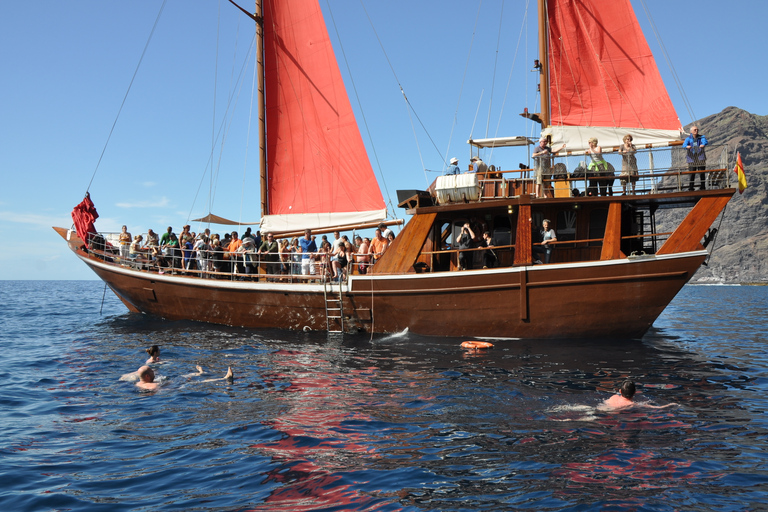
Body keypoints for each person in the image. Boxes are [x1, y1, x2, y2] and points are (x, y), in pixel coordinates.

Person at [600, 380, 678, 411]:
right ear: (635, 392)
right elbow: (656, 407)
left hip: (601, 408)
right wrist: (670, 404)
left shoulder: (614, 397)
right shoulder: (632, 404)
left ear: (620, 391)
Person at [684, 125, 708, 191]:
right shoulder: (688, 138)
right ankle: (691, 187)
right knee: (692, 173)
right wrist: (687, 146)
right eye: (695, 130)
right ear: (691, 131)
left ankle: (702, 187)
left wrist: (703, 144)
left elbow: (705, 141)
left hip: (700, 157)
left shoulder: (701, 137)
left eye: (697, 129)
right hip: (692, 158)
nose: (696, 131)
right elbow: (684, 145)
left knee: (702, 172)